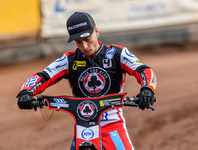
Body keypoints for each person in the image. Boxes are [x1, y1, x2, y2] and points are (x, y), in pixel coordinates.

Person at [17, 12, 157, 150]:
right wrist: (26, 91)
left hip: (112, 123)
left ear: (96, 31)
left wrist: (147, 89)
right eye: (78, 42)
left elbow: (144, 70)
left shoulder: (117, 54)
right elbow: (44, 76)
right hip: (83, 126)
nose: (84, 46)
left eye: (87, 39)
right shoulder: (69, 60)